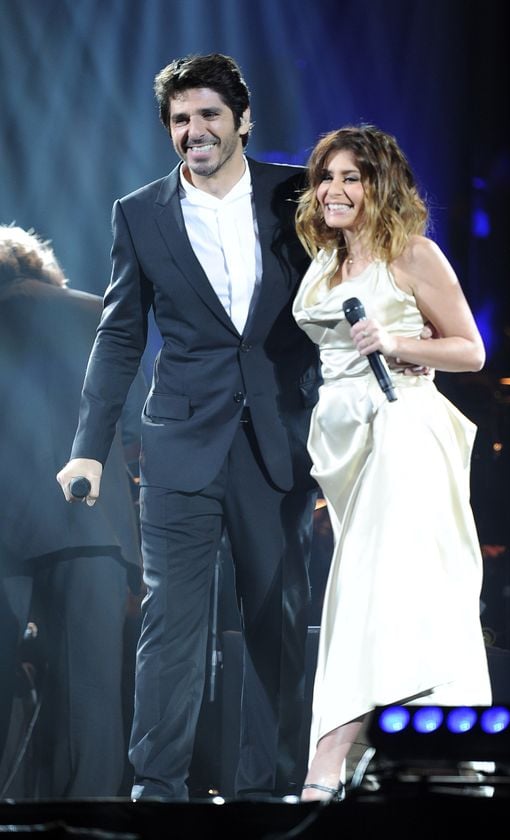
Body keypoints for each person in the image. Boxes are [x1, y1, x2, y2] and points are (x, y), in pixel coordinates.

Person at [56, 52, 322, 802]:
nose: (194, 131)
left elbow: (345, 289)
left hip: (277, 442)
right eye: (180, 119)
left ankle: (264, 789)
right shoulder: (138, 213)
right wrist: (90, 451)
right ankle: (159, 788)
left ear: (242, 120)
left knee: (275, 614)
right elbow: (119, 337)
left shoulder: (295, 195)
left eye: (208, 115)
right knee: (172, 624)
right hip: (177, 443)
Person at [292, 125, 493, 802]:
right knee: (389, 601)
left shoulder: (411, 254)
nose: (334, 190)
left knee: (370, 598)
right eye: (326, 177)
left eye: (352, 177)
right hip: (345, 446)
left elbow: (471, 350)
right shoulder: (324, 263)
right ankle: (416, 767)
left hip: (405, 431)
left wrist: (402, 340)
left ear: (381, 186)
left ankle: (329, 765)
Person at [0, 224, 143, 798]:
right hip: (92, 526)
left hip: (6, 530)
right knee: (90, 699)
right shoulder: (93, 313)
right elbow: (135, 423)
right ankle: (92, 822)